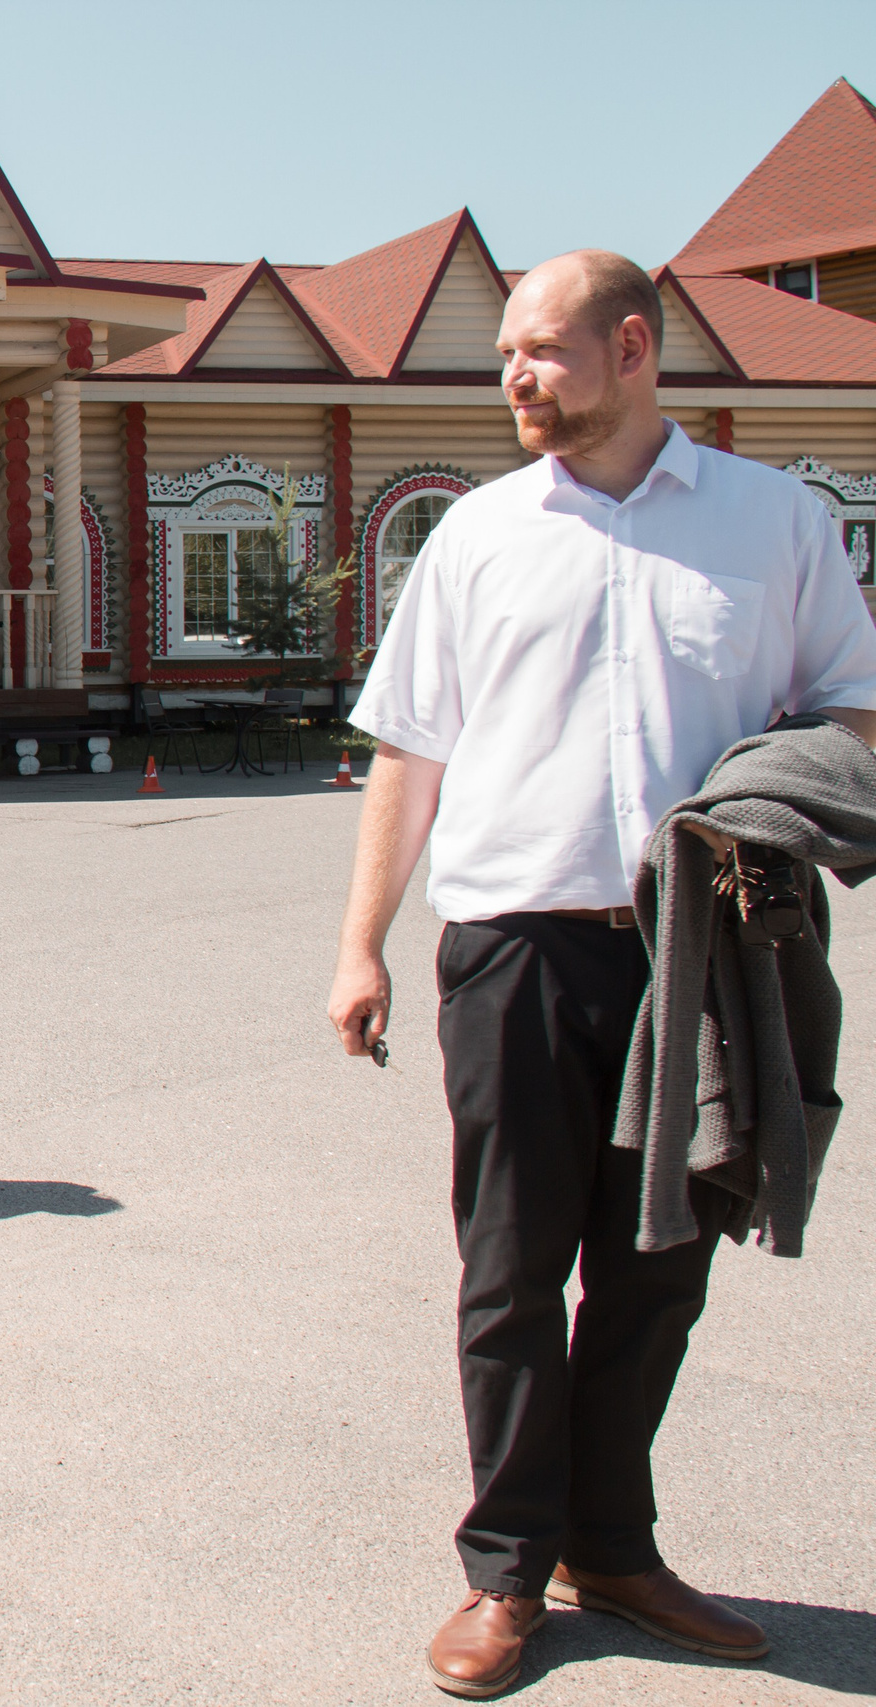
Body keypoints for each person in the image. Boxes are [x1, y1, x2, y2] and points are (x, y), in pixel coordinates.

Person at [327, 249, 876, 1698]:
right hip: (514, 944)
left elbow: (853, 712)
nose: (514, 376)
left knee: (659, 1268)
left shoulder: (777, 524)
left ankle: (611, 1543)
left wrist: (768, 797)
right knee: (511, 1270)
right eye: (506, 354)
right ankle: (505, 1568)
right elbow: (409, 748)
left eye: (539, 350)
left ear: (632, 348)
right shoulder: (478, 536)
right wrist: (358, 941)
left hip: (700, 953)